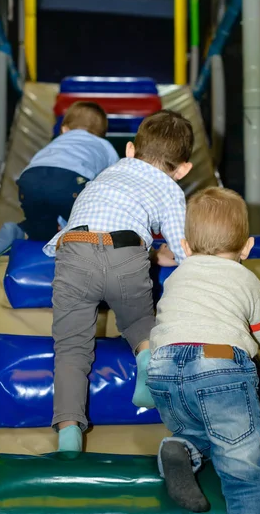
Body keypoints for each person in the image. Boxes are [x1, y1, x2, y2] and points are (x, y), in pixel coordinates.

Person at [147, 187, 260, 514]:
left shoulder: (177, 275)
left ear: (185, 246)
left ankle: (183, 447)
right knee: (245, 481)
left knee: (200, 426)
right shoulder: (248, 279)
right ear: (247, 247)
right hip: (219, 367)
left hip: (164, 368)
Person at [43, 109, 194, 452]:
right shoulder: (171, 190)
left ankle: (68, 434)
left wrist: (153, 252)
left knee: (70, 350)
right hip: (126, 254)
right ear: (182, 169)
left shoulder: (106, 173)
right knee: (140, 318)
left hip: (74, 250)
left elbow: (96, 222)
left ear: (129, 150)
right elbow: (182, 248)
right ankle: (145, 363)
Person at [0, 101, 119, 265]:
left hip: (30, 179)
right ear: (101, 134)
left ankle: (18, 231)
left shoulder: (56, 142)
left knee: (40, 229)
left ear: (64, 129)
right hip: (71, 181)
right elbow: (111, 181)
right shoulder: (104, 145)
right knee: (86, 220)